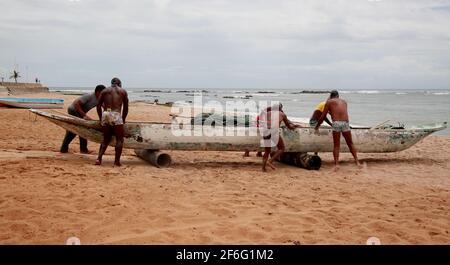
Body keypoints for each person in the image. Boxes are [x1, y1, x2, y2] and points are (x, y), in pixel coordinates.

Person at [314, 90, 360, 171]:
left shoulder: (329, 102)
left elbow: (323, 116)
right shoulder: (344, 102)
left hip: (336, 123)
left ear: (331, 96)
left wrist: (317, 126)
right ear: (338, 96)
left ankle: (337, 165)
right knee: (350, 143)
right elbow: (340, 112)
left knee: (336, 145)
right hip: (346, 123)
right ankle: (357, 162)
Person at [60, 84, 106, 154]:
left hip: (79, 112)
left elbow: (102, 108)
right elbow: (76, 103)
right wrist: (84, 115)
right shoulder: (90, 96)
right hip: (73, 110)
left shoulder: (100, 98)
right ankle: (83, 149)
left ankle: (65, 149)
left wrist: (103, 118)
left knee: (76, 130)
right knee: (80, 129)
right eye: (103, 93)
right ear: (98, 92)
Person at [95, 77, 129, 167]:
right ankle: (116, 162)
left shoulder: (104, 91)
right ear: (119, 83)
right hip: (116, 114)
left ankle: (99, 158)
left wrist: (100, 118)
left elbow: (98, 106)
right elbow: (126, 107)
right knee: (119, 139)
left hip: (106, 114)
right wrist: (123, 119)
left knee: (105, 139)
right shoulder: (122, 91)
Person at [259, 103, 300, 172]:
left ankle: (263, 168)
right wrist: (294, 126)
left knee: (267, 151)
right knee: (281, 148)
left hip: (265, 132)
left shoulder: (268, 113)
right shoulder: (282, 114)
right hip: (273, 132)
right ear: (280, 108)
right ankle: (270, 161)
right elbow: (289, 126)